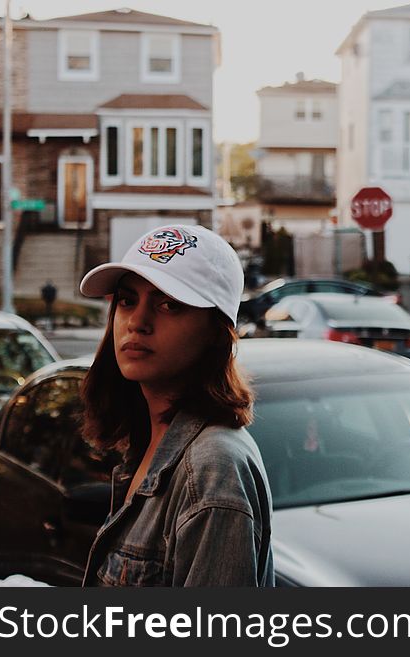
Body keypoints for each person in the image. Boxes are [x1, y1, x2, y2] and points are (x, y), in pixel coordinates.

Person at [77, 225, 273, 586]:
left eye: (169, 304)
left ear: (216, 331)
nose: (137, 322)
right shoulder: (150, 443)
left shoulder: (212, 471)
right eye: (127, 300)